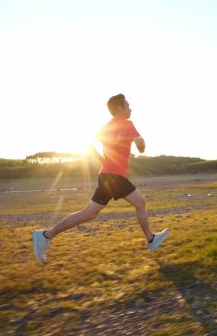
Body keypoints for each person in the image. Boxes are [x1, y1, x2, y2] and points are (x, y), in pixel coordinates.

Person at [32, 94, 169, 264]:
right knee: (139, 203)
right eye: (128, 105)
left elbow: (89, 144)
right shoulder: (128, 124)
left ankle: (45, 236)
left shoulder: (106, 127)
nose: (131, 108)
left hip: (107, 174)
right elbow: (141, 149)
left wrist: (103, 161)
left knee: (89, 213)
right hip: (114, 177)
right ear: (120, 108)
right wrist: (141, 141)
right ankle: (151, 240)